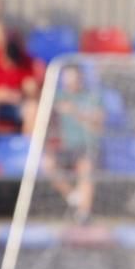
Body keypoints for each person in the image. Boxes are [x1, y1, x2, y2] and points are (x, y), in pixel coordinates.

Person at [42, 63, 102, 223]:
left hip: (85, 146)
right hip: (62, 147)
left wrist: (75, 111)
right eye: (67, 78)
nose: (70, 82)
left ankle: (84, 214)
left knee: (86, 170)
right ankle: (74, 197)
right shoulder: (57, 97)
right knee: (47, 165)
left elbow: (99, 123)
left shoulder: (91, 97)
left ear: (80, 78)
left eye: (73, 78)